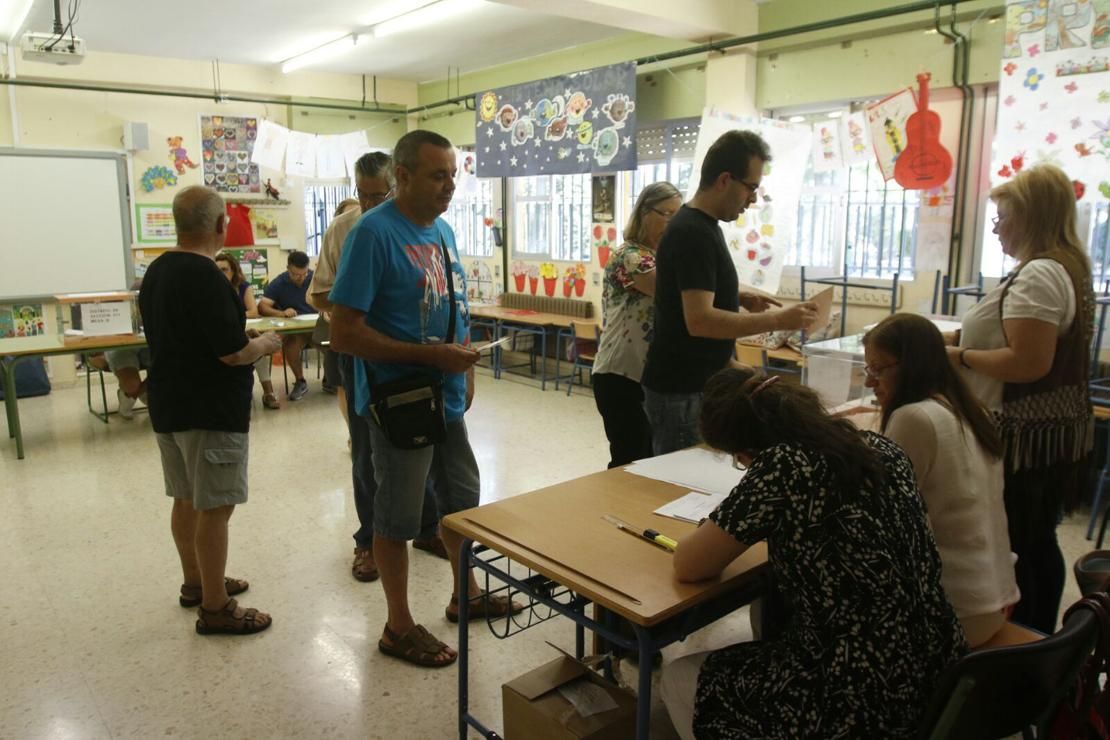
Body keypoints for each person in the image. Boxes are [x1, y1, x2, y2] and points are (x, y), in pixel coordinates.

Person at [659, 368, 966, 739]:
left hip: (863, 694)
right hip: (941, 670)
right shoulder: (882, 448)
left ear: (746, 450)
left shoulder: (783, 465)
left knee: (680, 677)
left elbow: (689, 564)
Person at [329, 130, 521, 668]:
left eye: (453, 175)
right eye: (438, 175)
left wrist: (459, 366)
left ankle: (467, 594)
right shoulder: (373, 234)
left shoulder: (442, 231)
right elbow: (344, 333)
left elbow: (449, 306)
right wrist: (430, 357)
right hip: (400, 401)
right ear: (404, 176)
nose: (449, 186)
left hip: (447, 397)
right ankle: (398, 625)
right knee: (397, 516)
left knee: (461, 500)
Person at [946, 163, 1095, 633]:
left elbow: (1029, 363)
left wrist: (961, 356)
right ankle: (1036, 640)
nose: (995, 227)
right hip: (1047, 430)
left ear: (1031, 217)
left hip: (1025, 434)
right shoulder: (1061, 266)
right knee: (1035, 539)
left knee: (1025, 543)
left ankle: (1029, 643)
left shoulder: (1039, 275)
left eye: (1003, 217)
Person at [139, 185, 282, 635]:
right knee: (216, 506)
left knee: (185, 498)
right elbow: (232, 352)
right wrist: (265, 344)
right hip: (210, 409)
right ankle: (217, 607)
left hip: (169, 404)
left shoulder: (156, 271)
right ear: (220, 224)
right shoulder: (206, 277)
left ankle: (197, 582)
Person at [307, 151, 444, 583]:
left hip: (419, 356)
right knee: (368, 450)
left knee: (422, 441)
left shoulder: (424, 227)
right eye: (361, 195)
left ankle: (426, 528)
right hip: (364, 355)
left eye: (377, 194)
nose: (369, 204)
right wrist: (360, 308)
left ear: (397, 183)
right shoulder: (348, 229)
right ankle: (367, 540)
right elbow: (319, 294)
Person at [641, 130, 817, 456]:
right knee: (678, 487)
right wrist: (780, 319)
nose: (753, 198)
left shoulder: (704, 227)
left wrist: (736, 297)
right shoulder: (692, 232)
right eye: (751, 187)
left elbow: (688, 298)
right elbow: (700, 322)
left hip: (698, 382)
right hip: (681, 391)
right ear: (725, 179)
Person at [863, 313, 1019, 646]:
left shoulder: (914, 417)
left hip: (955, 612)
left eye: (878, 369)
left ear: (913, 365)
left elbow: (879, 516)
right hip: (996, 598)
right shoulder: (969, 408)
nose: (869, 382)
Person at [591, 182, 682, 468]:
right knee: (631, 458)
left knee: (649, 459)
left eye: (677, 215)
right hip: (619, 374)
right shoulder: (629, 256)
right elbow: (673, 290)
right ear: (644, 213)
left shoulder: (663, 257)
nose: (672, 221)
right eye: (665, 213)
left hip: (647, 376)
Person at [215, 253, 280, 410]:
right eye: (217, 270)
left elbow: (253, 311)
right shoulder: (212, 289)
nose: (220, 274)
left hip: (239, 333)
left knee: (258, 351)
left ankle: (268, 393)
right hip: (220, 341)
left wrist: (232, 317)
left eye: (224, 269)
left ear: (233, 271)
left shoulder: (243, 287)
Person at [259, 250, 315, 401]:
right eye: (296, 274)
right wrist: (281, 313)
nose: (301, 278)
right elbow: (263, 307)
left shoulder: (314, 278)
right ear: (288, 269)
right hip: (297, 330)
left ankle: (332, 378)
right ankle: (300, 381)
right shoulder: (279, 283)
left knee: (334, 340)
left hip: (316, 326)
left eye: (305, 274)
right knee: (291, 346)